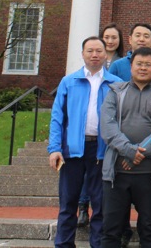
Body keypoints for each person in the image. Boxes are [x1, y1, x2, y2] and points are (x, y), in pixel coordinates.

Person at [48, 36, 123, 248]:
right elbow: (57, 117)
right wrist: (54, 148)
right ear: (82, 54)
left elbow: (122, 119)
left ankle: (98, 244)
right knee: (68, 202)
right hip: (73, 149)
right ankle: (64, 244)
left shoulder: (116, 84)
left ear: (106, 54)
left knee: (100, 204)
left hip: (102, 151)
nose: (94, 55)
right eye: (90, 51)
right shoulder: (68, 82)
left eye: (99, 51)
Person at [100, 47, 151, 248]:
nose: (143, 68)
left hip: (150, 174)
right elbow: (107, 127)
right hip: (117, 173)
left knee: (149, 229)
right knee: (111, 229)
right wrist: (129, 151)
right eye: (139, 64)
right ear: (131, 66)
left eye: (148, 64)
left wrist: (137, 154)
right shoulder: (115, 92)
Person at [78, 22, 127, 228]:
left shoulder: (120, 65)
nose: (110, 41)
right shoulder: (89, 66)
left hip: (108, 131)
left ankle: (102, 219)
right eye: (106, 37)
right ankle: (82, 206)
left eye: (114, 37)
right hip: (86, 131)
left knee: (101, 177)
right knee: (85, 173)